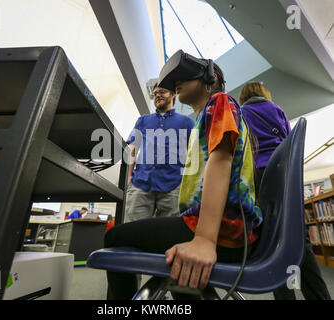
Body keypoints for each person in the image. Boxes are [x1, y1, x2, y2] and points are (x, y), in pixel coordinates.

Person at [104, 52, 263, 300]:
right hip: (213, 227)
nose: (175, 84)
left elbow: (221, 161)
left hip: (220, 231)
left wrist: (204, 239)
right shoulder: (202, 118)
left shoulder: (220, 101)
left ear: (211, 78)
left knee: (115, 237)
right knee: (179, 272)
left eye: (184, 77)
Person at [239, 81, 331, 300]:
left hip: (261, 175)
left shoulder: (241, 113)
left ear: (243, 96)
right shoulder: (276, 109)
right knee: (298, 237)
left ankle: (285, 296)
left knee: (271, 240)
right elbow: (289, 140)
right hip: (286, 172)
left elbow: (242, 148)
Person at [124, 84, 195, 222]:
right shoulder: (143, 120)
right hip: (140, 183)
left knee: (169, 235)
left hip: (174, 186)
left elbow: (194, 152)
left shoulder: (186, 122)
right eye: (155, 93)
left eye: (162, 91)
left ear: (173, 95)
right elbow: (132, 149)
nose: (157, 95)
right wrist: (129, 177)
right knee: (133, 231)